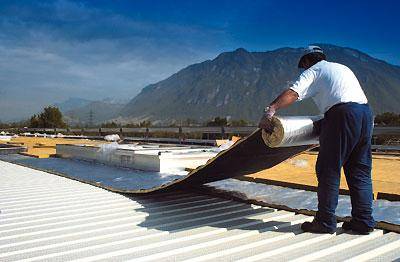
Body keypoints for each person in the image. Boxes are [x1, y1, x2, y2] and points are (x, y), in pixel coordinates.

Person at [259, 45, 375, 234]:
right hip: (365, 114)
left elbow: (293, 93)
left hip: (342, 114)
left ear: (306, 61)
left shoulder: (314, 70)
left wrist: (271, 110)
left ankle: (325, 222)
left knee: (328, 168)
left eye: (303, 66)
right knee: (359, 171)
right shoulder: (341, 68)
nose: (304, 69)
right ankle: (363, 221)